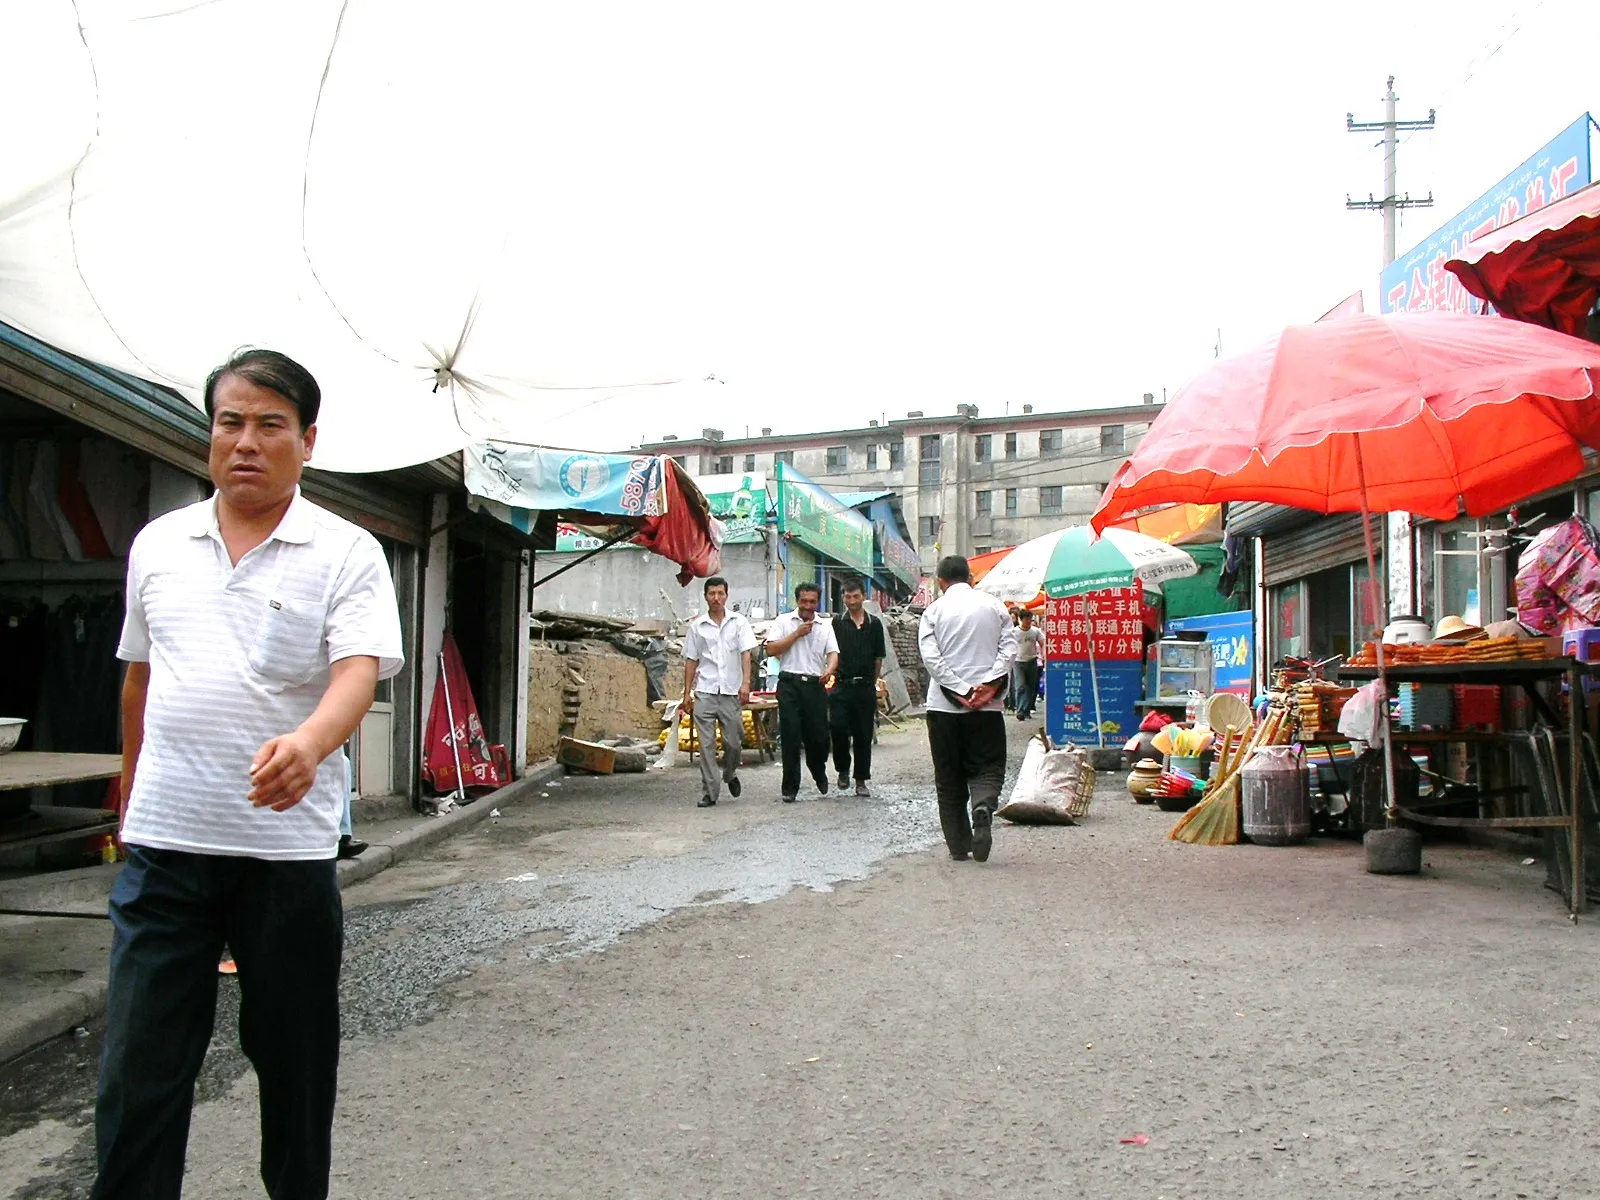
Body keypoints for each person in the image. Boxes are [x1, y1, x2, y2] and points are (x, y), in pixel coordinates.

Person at [93, 349, 403, 1200]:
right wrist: (129, 792)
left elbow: (358, 673)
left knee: (295, 1065)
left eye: (270, 425)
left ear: (306, 442)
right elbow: (138, 681)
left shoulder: (347, 550)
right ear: (210, 435)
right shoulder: (158, 546)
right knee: (140, 1069)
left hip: (285, 860)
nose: (246, 442)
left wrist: (309, 744)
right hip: (165, 848)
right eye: (230, 422)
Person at [918, 555, 1017, 862]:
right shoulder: (995, 607)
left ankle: (959, 846)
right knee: (988, 767)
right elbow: (1009, 649)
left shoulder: (933, 611)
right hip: (988, 709)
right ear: (971, 578)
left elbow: (931, 658)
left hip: (943, 709)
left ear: (940, 581)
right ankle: (984, 806)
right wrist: (988, 685)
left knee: (948, 779)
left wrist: (959, 689)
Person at [680, 575, 756, 808]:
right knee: (706, 745)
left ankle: (730, 773)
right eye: (712, 594)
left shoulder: (739, 622)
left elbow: (746, 654)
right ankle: (710, 793)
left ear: (726, 595)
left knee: (734, 741)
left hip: (731, 691)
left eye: (720, 593)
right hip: (705, 690)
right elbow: (691, 660)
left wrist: (745, 684)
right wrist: (687, 692)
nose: (716, 598)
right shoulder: (697, 627)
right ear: (705, 597)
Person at [764, 581, 839, 801]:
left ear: (818, 602)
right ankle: (790, 787)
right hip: (789, 684)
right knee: (790, 736)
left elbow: (833, 653)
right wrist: (797, 634)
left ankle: (818, 770)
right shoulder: (783, 621)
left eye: (812, 602)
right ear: (797, 601)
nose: (807, 606)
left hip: (814, 685)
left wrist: (830, 669)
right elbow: (770, 649)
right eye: (804, 601)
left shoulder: (825, 626)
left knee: (819, 737)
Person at [829, 577, 885, 797]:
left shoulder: (874, 624)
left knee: (863, 734)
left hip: (865, 687)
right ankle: (843, 769)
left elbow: (879, 657)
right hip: (842, 686)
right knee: (838, 728)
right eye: (847, 596)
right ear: (842, 597)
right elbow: (831, 652)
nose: (851, 601)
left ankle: (861, 779)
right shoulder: (836, 623)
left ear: (863, 596)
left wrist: (872, 682)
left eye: (856, 596)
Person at [1014, 607, 1044, 721]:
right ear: (1021, 620)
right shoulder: (1015, 632)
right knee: (1021, 686)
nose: (1028, 622)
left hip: (1032, 661)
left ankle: (1026, 711)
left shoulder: (1035, 631)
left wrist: (1044, 655)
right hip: (1018, 662)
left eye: (1030, 619)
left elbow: (1042, 643)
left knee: (1031, 687)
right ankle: (1020, 710)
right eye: (1026, 619)